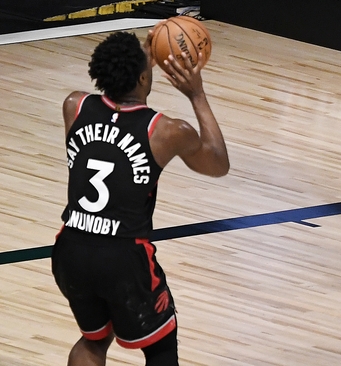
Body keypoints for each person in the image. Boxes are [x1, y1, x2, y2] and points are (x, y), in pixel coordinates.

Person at [51, 30, 230, 365]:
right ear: (144, 76)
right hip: (123, 256)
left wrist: (140, 57)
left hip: (71, 248)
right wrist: (196, 94)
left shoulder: (74, 106)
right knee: (161, 345)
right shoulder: (167, 132)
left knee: (95, 339)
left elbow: (111, 117)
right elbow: (218, 163)